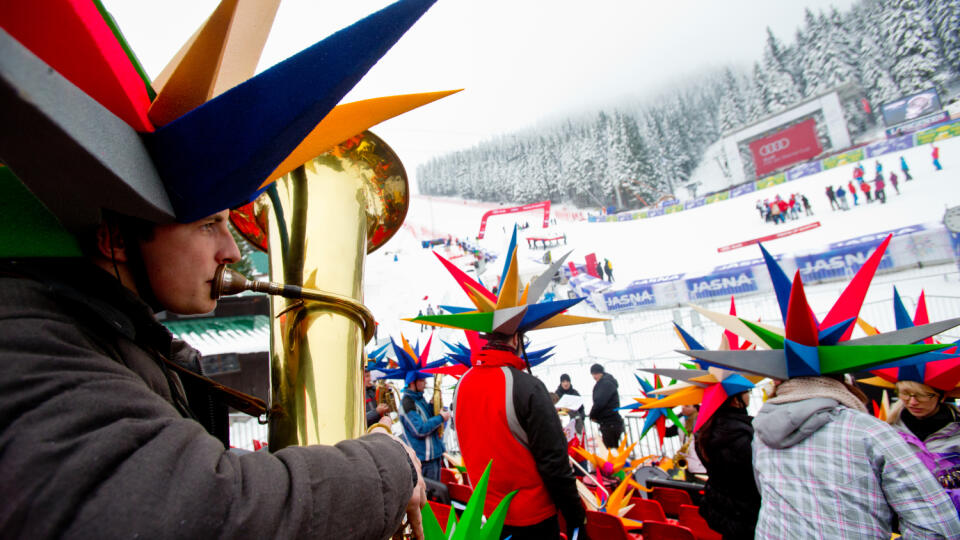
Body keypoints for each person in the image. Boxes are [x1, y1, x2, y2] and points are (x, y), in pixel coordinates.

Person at [0, 2, 445, 536]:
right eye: (209, 224)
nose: (232, 251)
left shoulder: (95, 334)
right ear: (115, 237)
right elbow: (204, 510)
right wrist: (386, 467)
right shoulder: (26, 339)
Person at [752, 376, 960, 538]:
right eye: (906, 394)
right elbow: (935, 524)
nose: (913, 402)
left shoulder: (760, 433)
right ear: (845, 382)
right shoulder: (869, 430)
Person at [694, 391, 760, 540]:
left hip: (722, 509)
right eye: (746, 393)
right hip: (748, 513)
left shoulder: (705, 431)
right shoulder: (746, 434)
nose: (749, 395)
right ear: (736, 401)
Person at [887, 380, 960, 509]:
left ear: (941, 396)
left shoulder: (956, 430)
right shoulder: (888, 432)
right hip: (905, 517)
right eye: (905, 394)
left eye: (922, 395)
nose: (912, 402)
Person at [400, 375, 449, 482]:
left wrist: (432, 405)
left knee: (436, 494)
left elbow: (427, 418)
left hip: (433, 456)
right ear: (413, 383)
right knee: (429, 495)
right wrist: (440, 418)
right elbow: (420, 430)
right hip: (424, 460)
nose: (425, 383)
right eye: (422, 380)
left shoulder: (419, 399)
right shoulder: (408, 403)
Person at [589, 364, 624, 450]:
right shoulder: (607, 382)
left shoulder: (604, 384)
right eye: (593, 374)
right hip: (612, 422)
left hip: (609, 422)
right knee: (613, 449)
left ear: (601, 373)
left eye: (596, 373)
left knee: (611, 451)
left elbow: (600, 402)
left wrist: (592, 415)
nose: (595, 376)